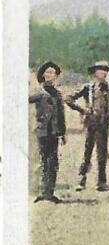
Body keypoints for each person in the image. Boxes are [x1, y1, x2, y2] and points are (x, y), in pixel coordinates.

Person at [66, 61, 109, 192]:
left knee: (102, 153)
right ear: (95, 72)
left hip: (103, 124)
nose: (104, 73)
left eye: (106, 70)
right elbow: (68, 99)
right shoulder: (88, 87)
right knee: (87, 151)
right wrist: (82, 110)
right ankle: (81, 179)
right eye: (101, 70)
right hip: (90, 123)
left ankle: (101, 182)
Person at [28, 61, 67, 203]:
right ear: (43, 75)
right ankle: (43, 192)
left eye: (53, 73)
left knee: (53, 162)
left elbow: (61, 114)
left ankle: (50, 193)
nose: (50, 75)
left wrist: (62, 133)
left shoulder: (57, 93)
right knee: (43, 161)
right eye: (48, 72)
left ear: (56, 76)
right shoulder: (38, 92)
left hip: (54, 132)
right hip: (42, 131)